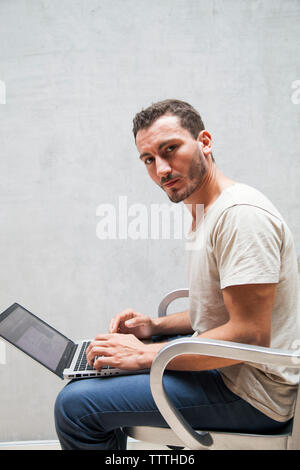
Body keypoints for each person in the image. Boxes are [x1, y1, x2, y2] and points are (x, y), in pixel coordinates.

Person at [54, 99, 300, 450]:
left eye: (171, 149)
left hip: (251, 393)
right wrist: (154, 328)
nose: (162, 169)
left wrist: (143, 356)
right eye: (149, 159)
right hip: (229, 370)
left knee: (75, 406)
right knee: (98, 371)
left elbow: (249, 335)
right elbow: (222, 313)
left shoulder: (240, 216)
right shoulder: (207, 211)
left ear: (205, 142)